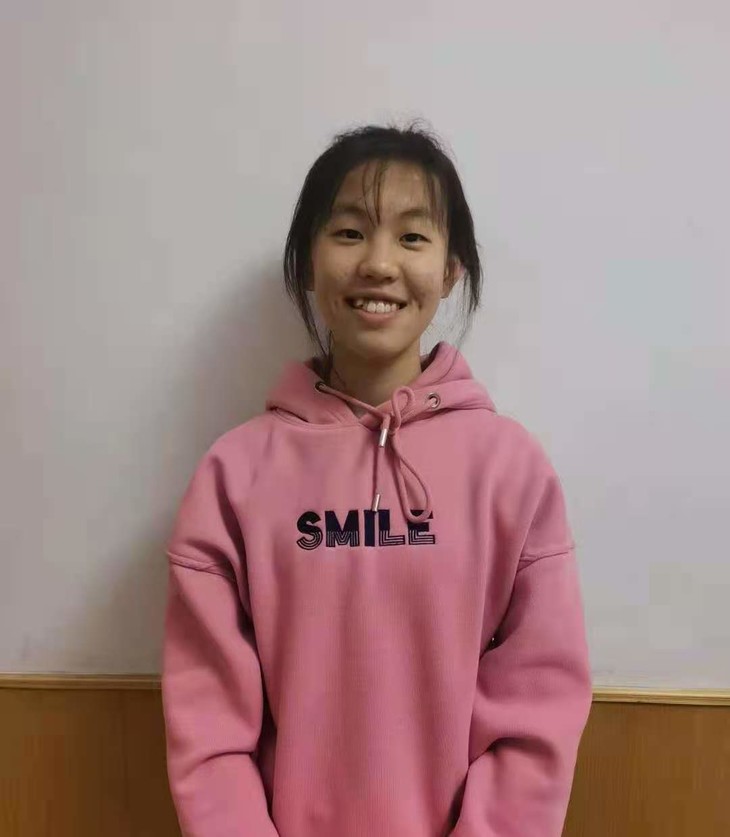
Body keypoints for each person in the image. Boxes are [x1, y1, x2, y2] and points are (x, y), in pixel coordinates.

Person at [161, 123, 592, 837]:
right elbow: (209, 731)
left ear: (451, 269)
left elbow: (537, 713)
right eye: (350, 233)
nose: (380, 263)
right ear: (308, 262)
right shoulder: (233, 477)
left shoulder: (511, 472)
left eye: (413, 237)